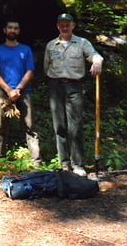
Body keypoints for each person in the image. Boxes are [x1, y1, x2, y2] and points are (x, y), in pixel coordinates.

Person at [44, 13, 103, 177]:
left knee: (75, 126)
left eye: (67, 24)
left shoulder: (82, 43)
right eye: (61, 24)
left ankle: (78, 164)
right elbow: (46, 66)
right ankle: (64, 163)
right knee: (59, 126)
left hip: (74, 86)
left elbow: (95, 55)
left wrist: (97, 62)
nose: (64, 27)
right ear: (58, 26)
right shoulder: (51, 45)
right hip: (55, 86)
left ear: (73, 26)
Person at [0, 19, 41, 167]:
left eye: (16, 28)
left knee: (30, 127)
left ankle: (36, 162)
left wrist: (18, 89)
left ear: (18, 31)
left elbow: (30, 71)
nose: (12, 30)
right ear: (5, 30)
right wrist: (8, 90)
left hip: (24, 92)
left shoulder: (25, 50)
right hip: (3, 93)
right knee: (1, 127)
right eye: (10, 28)